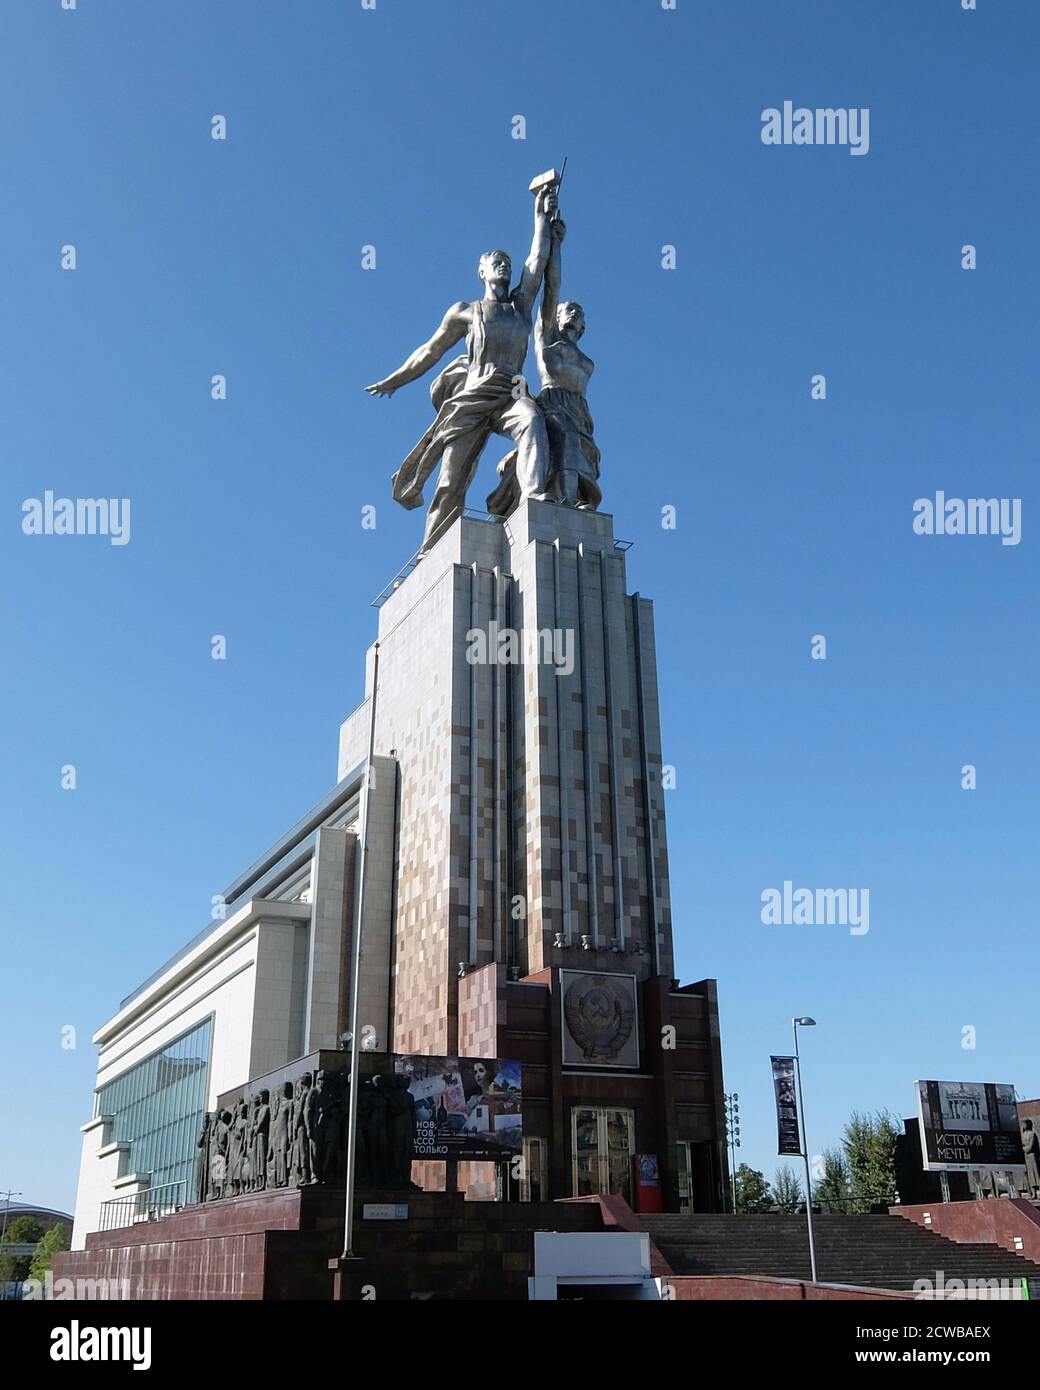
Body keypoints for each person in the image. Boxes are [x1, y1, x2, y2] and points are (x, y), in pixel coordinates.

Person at [366, 183, 559, 552]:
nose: (504, 264)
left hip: (511, 392)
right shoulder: (466, 312)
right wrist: (396, 379)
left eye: (507, 261)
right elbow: (430, 351)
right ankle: (432, 548)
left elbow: (537, 261)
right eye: (496, 261)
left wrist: (542, 217)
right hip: (472, 395)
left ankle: (535, 497)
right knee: (451, 479)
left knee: (533, 421)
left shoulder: (521, 305)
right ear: (482, 271)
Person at [489, 214, 600, 514]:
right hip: (553, 404)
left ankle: (571, 504)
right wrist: (556, 244)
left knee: (575, 447)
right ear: (557, 316)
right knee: (564, 440)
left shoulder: (585, 360)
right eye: (568, 309)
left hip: (580, 411)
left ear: (584, 325)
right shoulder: (548, 338)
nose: (573, 313)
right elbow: (553, 285)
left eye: (578, 312)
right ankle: (565, 507)